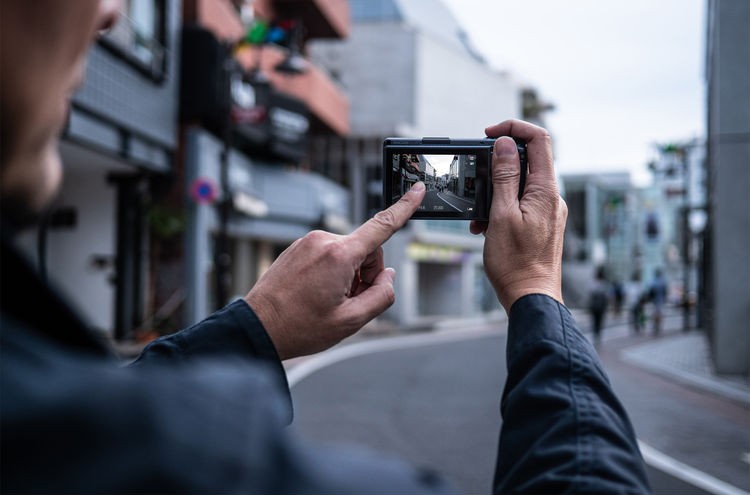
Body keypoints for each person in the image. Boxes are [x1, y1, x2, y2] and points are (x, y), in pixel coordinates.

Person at [1, 1, 651, 493]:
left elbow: (98, 411)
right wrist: (537, 289)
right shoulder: (183, 454)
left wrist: (257, 327)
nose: (111, 12)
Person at [587, 265, 610, 346]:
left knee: (595, 321)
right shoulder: (604, 284)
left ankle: (595, 335)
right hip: (601, 307)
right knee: (599, 321)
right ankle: (598, 335)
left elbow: (591, 295)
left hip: (594, 306)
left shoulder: (593, 283)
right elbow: (607, 297)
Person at [648, 268, 669, 335]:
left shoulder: (653, 281)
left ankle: (655, 325)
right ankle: (658, 325)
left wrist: (650, 299)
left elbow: (650, 292)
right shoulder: (662, 281)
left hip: (654, 300)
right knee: (659, 313)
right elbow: (665, 291)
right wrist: (665, 299)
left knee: (655, 313)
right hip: (660, 300)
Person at [625, 270, 646, 334]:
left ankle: (637, 326)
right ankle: (640, 325)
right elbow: (643, 294)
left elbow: (627, 295)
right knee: (640, 315)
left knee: (635, 315)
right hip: (638, 303)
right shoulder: (639, 284)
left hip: (633, 303)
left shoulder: (630, 285)